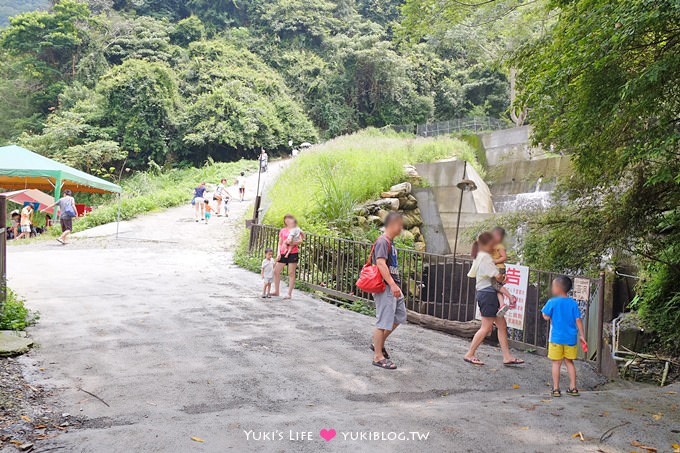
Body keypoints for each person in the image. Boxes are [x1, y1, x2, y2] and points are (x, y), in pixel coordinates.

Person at [463, 231, 524, 367]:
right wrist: (505, 282)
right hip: (488, 294)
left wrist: (507, 294)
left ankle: (507, 356)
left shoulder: (480, 256)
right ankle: (470, 353)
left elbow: (495, 284)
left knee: (502, 325)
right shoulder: (485, 257)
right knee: (486, 327)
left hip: (488, 292)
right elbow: (496, 279)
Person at [370, 212, 407, 370]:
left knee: (399, 316)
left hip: (393, 287)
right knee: (383, 321)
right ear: (393, 224)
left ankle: (377, 344)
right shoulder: (383, 241)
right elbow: (380, 263)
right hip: (385, 287)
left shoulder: (389, 242)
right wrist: (392, 284)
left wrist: (395, 285)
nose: (401, 228)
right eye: (400, 224)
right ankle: (378, 357)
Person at [542, 276, 587, 397]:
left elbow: (545, 316)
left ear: (557, 288)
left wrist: (550, 316)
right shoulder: (573, 303)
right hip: (571, 338)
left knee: (556, 363)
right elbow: (578, 320)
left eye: (553, 286)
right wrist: (582, 336)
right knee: (569, 362)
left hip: (556, 338)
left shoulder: (552, 302)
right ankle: (573, 387)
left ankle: (556, 389)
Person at [272, 214, 303, 299]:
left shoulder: (296, 229)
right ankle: (276, 291)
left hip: (293, 253)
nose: (287, 221)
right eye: (286, 219)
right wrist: (278, 253)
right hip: (282, 252)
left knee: (291, 273)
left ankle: (289, 293)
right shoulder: (283, 230)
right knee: (276, 271)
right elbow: (280, 243)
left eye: (289, 219)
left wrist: (292, 243)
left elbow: (301, 240)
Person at [491, 226, 511, 316]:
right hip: (495, 268)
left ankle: (510, 297)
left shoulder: (500, 246)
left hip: (499, 268)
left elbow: (504, 257)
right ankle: (502, 304)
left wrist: (495, 261)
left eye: (496, 236)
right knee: (497, 288)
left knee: (495, 285)